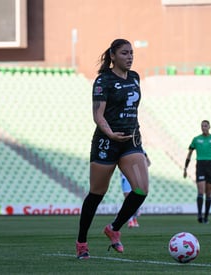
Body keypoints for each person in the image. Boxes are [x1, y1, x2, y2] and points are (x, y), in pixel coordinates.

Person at [76, 39, 149, 259]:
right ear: (113, 56)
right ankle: (81, 242)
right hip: (106, 142)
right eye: (125, 53)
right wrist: (109, 133)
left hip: (131, 141)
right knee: (97, 194)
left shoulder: (135, 77)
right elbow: (98, 115)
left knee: (141, 189)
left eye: (131, 53)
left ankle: (114, 228)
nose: (129, 57)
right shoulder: (103, 81)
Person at [183, 120, 211, 224]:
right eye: (202, 126)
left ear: (209, 126)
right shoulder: (196, 139)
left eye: (205, 126)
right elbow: (190, 153)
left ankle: (206, 217)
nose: (203, 128)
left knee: (208, 193)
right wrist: (185, 168)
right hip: (200, 165)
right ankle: (199, 215)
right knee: (201, 191)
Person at [120, 151, 151, 228]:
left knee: (136, 199)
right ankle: (130, 220)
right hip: (126, 177)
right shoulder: (122, 148)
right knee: (128, 199)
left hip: (137, 178)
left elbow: (148, 163)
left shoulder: (141, 151)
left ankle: (134, 218)